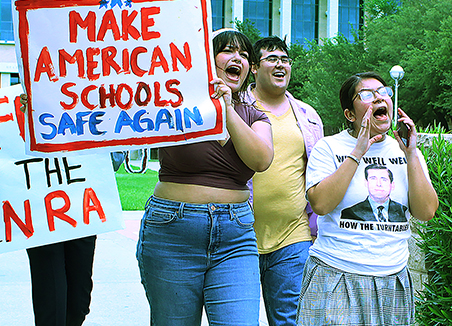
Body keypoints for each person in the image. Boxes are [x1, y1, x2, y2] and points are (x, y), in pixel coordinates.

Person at [136, 29, 274, 326]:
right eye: (227, 51)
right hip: (172, 232)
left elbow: (261, 159)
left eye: (245, 55)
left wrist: (226, 108)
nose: (238, 58)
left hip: (235, 236)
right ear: (206, 60)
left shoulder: (254, 116)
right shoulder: (172, 103)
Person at [297, 72, 438, 325]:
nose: (378, 98)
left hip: (392, 278)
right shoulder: (329, 148)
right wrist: (358, 152)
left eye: (383, 92)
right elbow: (320, 204)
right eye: (366, 95)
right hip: (337, 274)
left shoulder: (405, 150)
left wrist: (413, 154)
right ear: (350, 115)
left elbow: (426, 211)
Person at [0, 94, 97, 326]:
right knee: (50, 304)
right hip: (40, 219)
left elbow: (110, 160)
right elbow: (2, 162)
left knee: (79, 304)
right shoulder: (13, 122)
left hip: (81, 215)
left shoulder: (84, 113)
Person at [243, 36, 323, 326]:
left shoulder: (307, 115)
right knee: (239, 320)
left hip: (294, 235)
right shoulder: (236, 108)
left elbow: (317, 173)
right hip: (240, 237)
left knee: (290, 320)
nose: (280, 65)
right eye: (272, 59)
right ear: (254, 67)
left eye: (285, 59)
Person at [341, 164, 407, 222]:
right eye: (373, 178)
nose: (378, 184)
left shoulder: (402, 210)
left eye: (384, 179)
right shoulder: (350, 213)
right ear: (366, 183)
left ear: (392, 185)